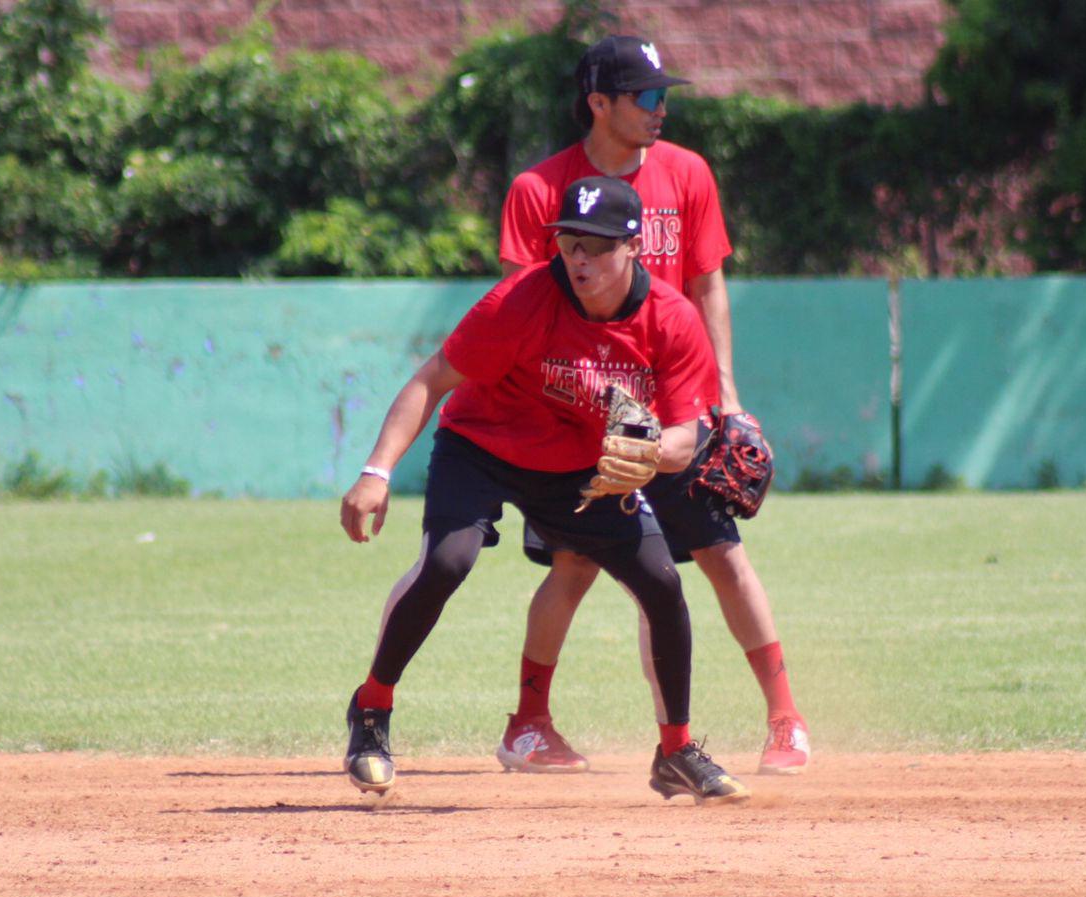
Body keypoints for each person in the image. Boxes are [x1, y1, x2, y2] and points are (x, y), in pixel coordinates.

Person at [338, 175, 749, 806]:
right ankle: (371, 710)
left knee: (663, 585)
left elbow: (685, 440)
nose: (579, 259)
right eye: (569, 244)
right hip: (482, 448)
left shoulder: (671, 320)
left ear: (633, 246)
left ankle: (676, 751)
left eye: (597, 245)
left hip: (579, 471)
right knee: (447, 561)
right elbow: (432, 380)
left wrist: (648, 458)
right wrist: (377, 470)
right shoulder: (522, 300)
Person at [493, 35, 810, 776]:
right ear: (598, 102)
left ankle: (787, 719)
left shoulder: (688, 174)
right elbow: (519, 308)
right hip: (580, 414)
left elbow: (707, 286)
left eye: (665, 94)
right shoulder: (541, 190)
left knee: (722, 556)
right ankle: (528, 724)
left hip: (674, 401)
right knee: (573, 563)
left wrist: (726, 397)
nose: (661, 108)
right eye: (646, 96)